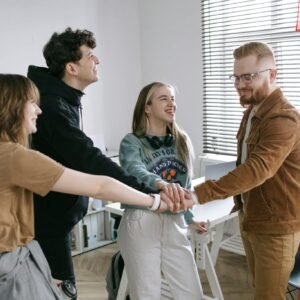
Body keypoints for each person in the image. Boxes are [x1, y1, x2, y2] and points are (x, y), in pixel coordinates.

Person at [0, 74, 195, 300]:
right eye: (32, 103)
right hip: (9, 261)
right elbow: (100, 186)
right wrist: (156, 200)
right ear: (13, 106)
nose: (39, 111)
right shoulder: (15, 157)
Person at [193, 41, 300, 300]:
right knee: (261, 291)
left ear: (272, 74)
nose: (240, 84)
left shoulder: (284, 118)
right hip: (251, 218)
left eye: (248, 77)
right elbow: (243, 161)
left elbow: (257, 169)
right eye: (237, 77)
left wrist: (199, 194)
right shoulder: (252, 111)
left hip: (276, 226)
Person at [118, 82, 207, 300]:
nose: (171, 104)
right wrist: (162, 184)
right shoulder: (132, 141)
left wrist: (190, 219)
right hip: (142, 219)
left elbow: (185, 186)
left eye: (173, 99)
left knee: (192, 292)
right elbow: (133, 169)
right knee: (146, 293)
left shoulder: (182, 140)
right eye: (163, 98)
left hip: (175, 221)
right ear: (147, 108)